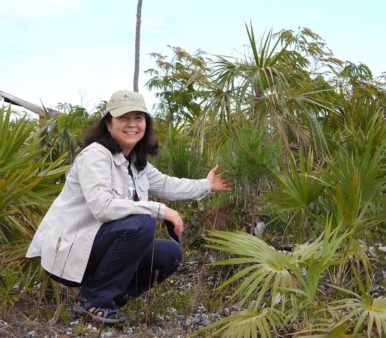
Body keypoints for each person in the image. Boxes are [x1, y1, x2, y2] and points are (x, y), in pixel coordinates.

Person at [26, 89, 232, 323]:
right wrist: (160, 210)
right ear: (108, 124)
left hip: (98, 249)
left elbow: (167, 184)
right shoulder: (95, 156)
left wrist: (206, 185)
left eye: (139, 118)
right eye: (124, 118)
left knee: (170, 254)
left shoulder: (135, 162)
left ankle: (101, 299)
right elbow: (103, 208)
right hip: (72, 250)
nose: (132, 124)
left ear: (146, 124)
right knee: (140, 224)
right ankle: (95, 300)